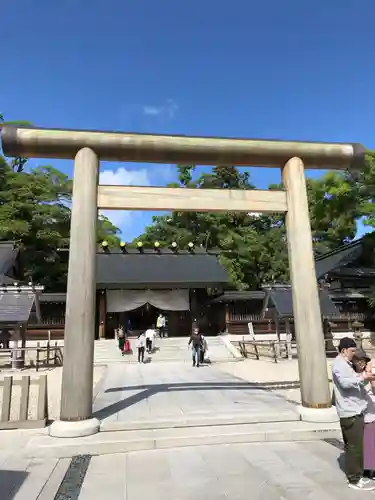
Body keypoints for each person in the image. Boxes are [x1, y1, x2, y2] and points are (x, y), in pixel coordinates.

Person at [332, 337, 375, 490]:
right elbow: (345, 383)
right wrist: (363, 377)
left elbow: (355, 381)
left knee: (357, 446)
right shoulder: (339, 364)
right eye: (352, 350)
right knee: (354, 447)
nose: (354, 353)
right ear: (344, 350)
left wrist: (366, 377)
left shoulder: (346, 364)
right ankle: (354, 480)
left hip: (356, 409)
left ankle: (358, 475)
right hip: (350, 412)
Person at [352, 349, 375, 480]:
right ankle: (365, 468)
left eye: (364, 360)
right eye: (358, 360)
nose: (361, 363)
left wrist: (371, 378)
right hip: (359, 412)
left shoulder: (370, 374)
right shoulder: (352, 375)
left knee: (371, 441)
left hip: (372, 411)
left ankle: (371, 468)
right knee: (363, 442)